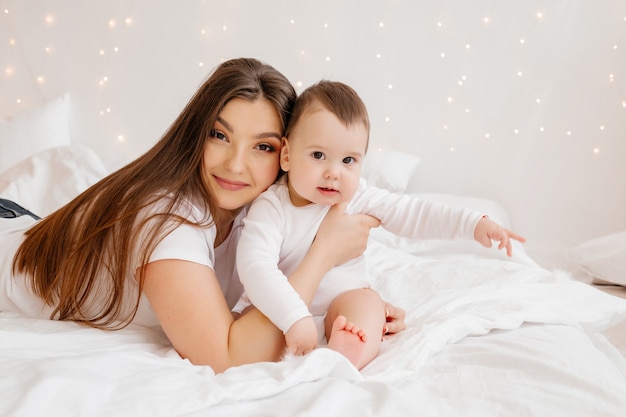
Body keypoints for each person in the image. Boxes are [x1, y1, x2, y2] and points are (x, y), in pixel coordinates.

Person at [0, 58, 406, 374]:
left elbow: (281, 287)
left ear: (286, 155)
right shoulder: (168, 218)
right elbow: (227, 356)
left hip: (28, 223)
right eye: (219, 135)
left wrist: (351, 304)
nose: (234, 165)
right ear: (197, 133)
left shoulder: (263, 207)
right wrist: (324, 253)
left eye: (261, 147)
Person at [235, 80, 526, 370]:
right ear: (287, 155)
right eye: (318, 155)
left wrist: (472, 223)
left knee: (368, 305)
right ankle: (312, 342)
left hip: (342, 300)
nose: (333, 172)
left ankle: (347, 352)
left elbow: (413, 213)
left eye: (348, 160)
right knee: (254, 310)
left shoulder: (358, 197)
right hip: (282, 307)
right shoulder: (272, 207)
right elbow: (255, 267)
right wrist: (293, 317)